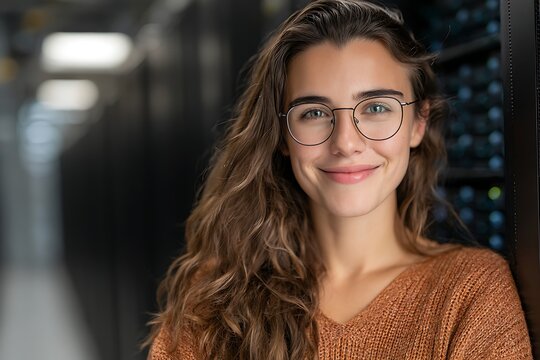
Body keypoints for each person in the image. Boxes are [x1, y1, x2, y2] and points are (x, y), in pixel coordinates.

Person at [146, 0, 533, 358]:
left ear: (418, 123)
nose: (346, 142)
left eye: (377, 108)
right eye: (314, 113)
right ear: (282, 136)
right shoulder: (214, 298)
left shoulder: (470, 292)